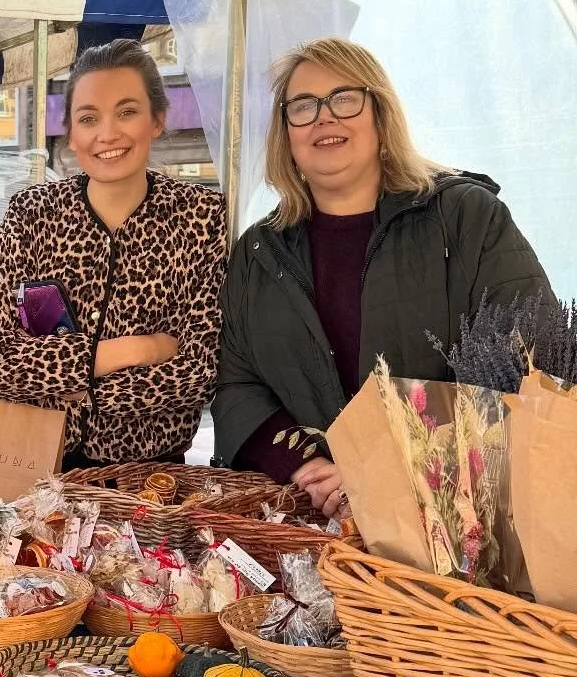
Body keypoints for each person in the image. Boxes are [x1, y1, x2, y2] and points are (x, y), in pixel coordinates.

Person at [214, 38, 552, 514]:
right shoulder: (257, 251)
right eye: (303, 106)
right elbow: (236, 384)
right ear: (285, 131)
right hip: (310, 522)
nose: (324, 118)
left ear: (380, 113)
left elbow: (528, 366)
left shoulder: (467, 218)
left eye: (345, 99)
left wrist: (380, 466)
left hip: (453, 518)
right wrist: (309, 466)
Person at [0, 39, 227, 466]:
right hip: (30, 466)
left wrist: (66, 387)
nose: (107, 134)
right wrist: (136, 350)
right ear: (71, 133)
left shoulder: (202, 218)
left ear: (157, 120)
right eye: (88, 118)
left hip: (148, 482)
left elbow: (198, 370)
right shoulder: (31, 215)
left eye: (126, 112)